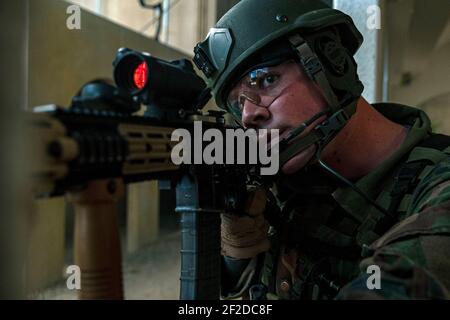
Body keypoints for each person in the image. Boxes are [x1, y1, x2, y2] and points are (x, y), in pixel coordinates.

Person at [193, 0, 450, 299]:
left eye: (265, 80)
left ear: (332, 64)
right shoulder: (283, 190)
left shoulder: (439, 185)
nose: (250, 115)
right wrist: (236, 254)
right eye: (239, 103)